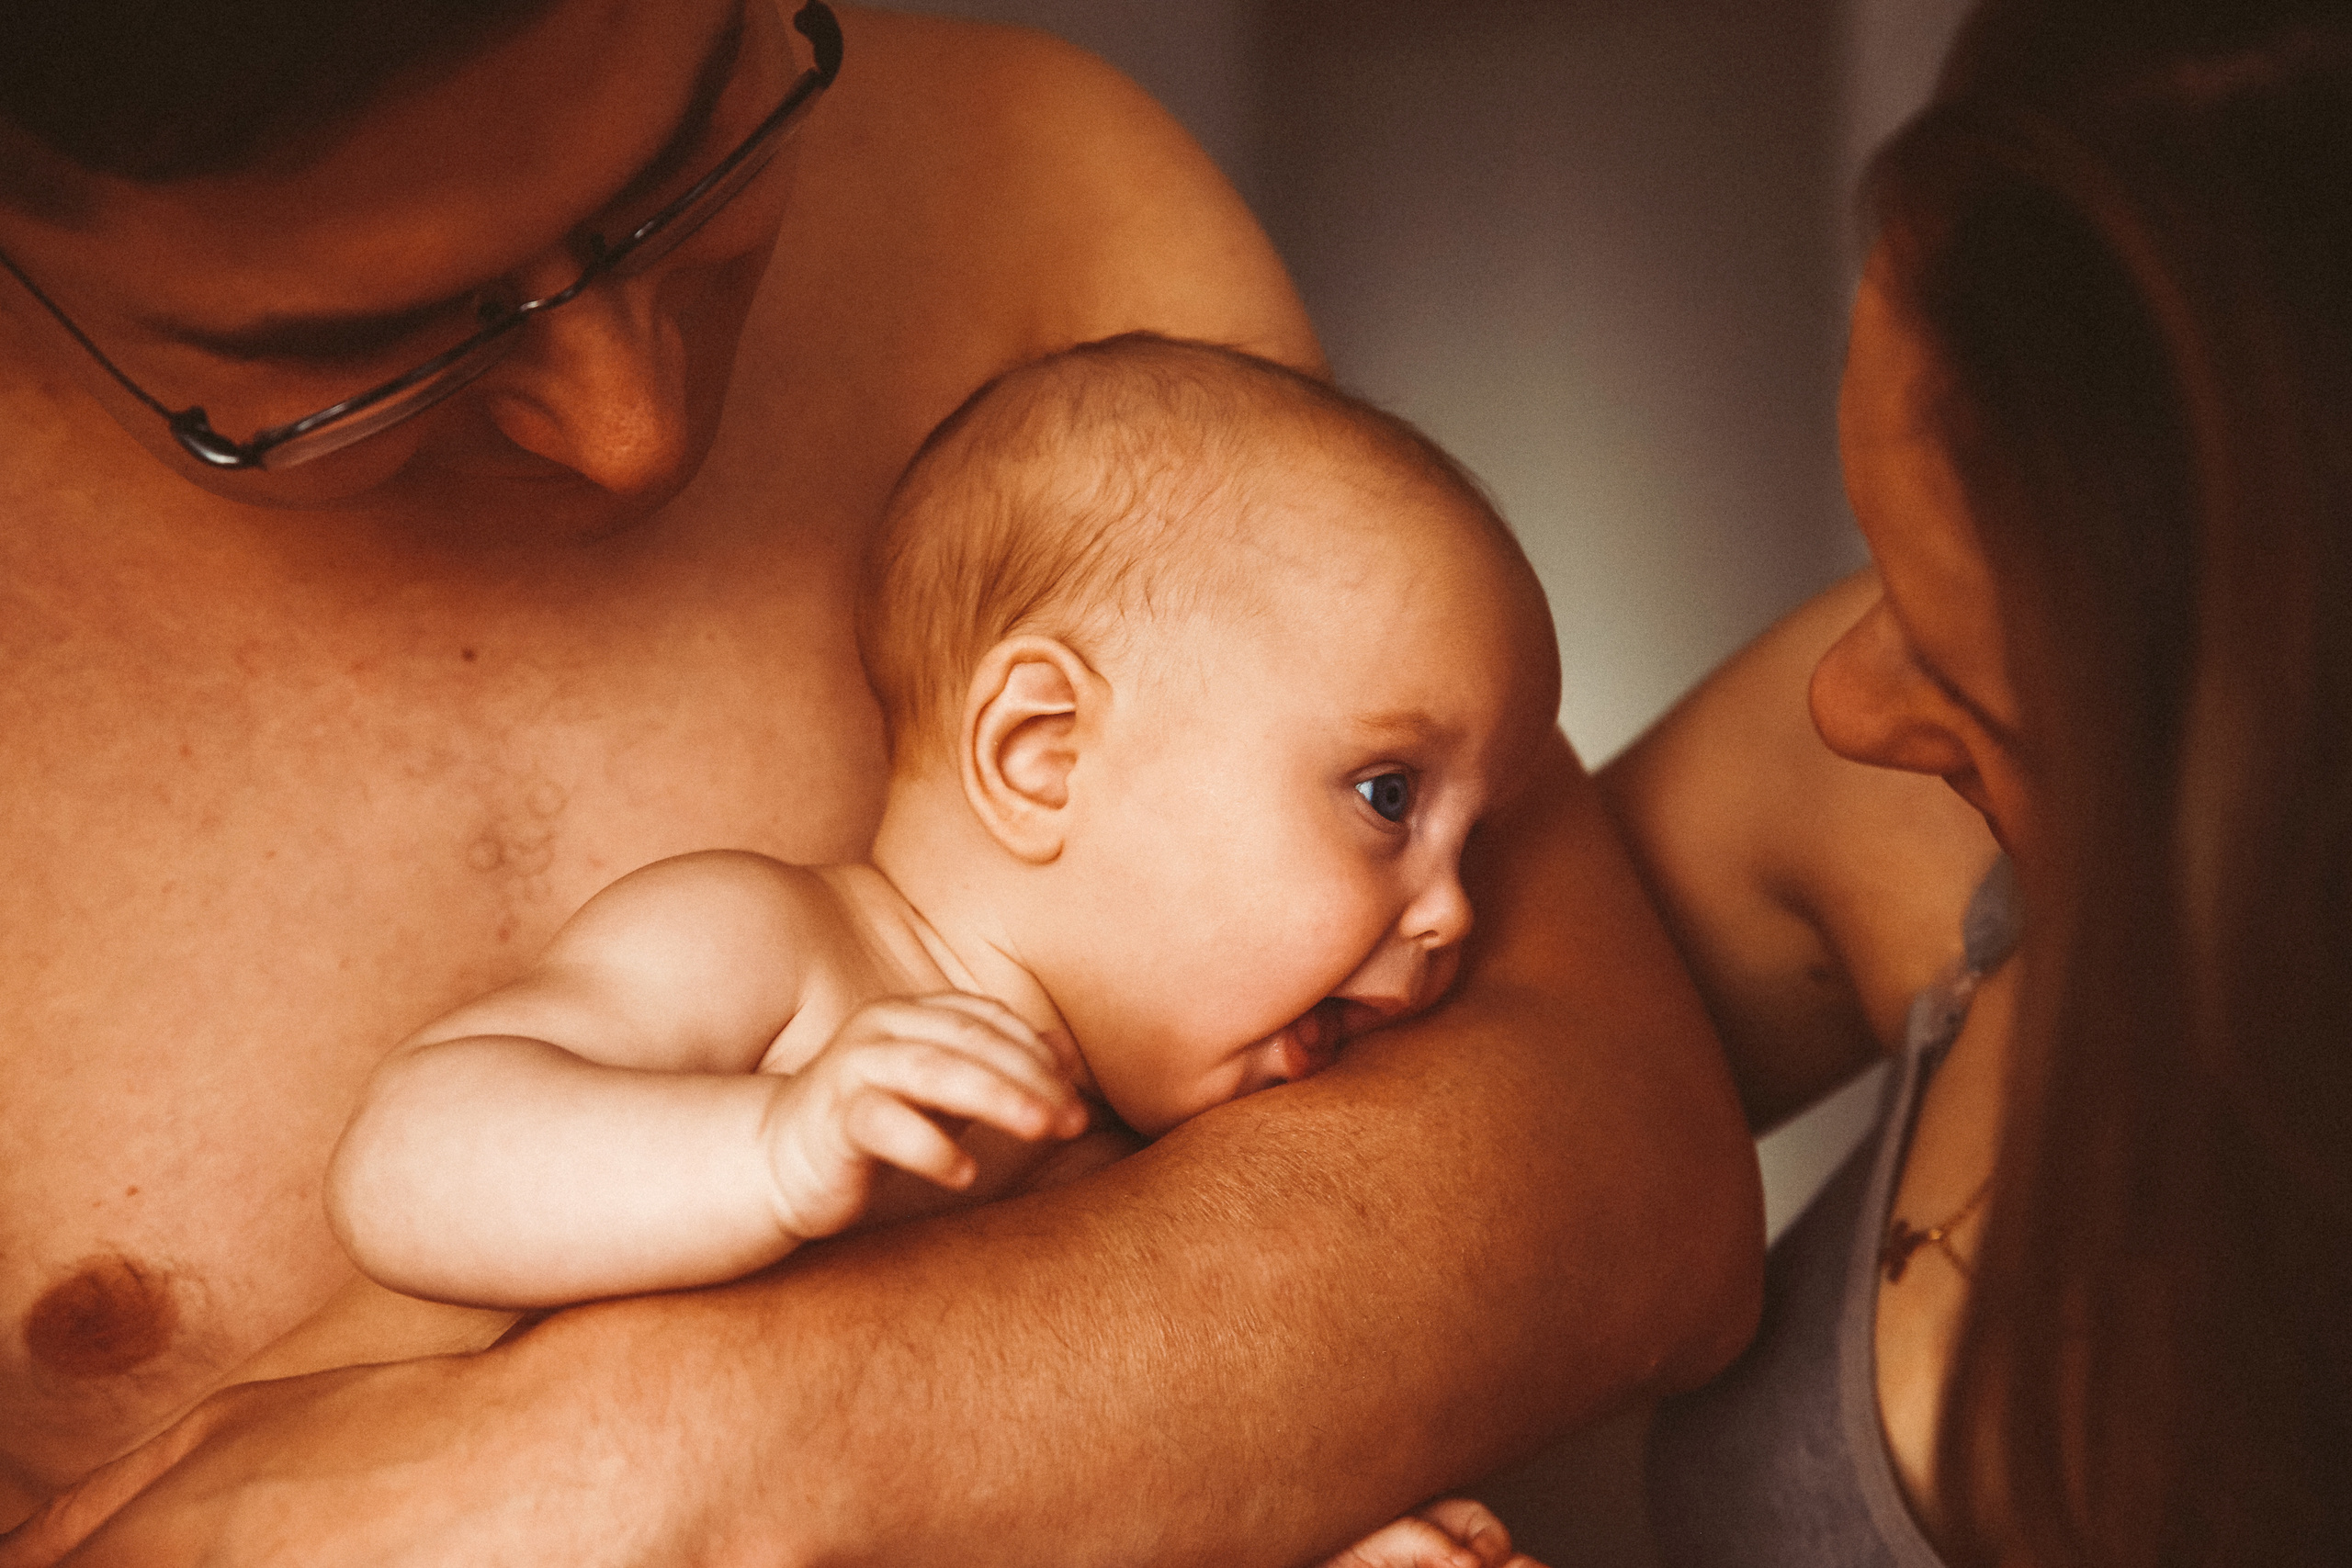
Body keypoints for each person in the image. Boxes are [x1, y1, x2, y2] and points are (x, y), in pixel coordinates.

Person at [0, 3, 1761, 1563]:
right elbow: (426, 1159)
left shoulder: (1040, 190)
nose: (637, 431)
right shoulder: (781, 959)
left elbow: (1627, 1174)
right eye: (349, 356)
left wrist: (672, 1454)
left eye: (690, 161)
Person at [259, 335, 1555, 1362]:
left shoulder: (1126, 1164)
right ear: (1039, 752)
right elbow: (405, 1164)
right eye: (1389, 796)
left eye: (1472, 838)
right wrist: (765, 1149)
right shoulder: (783, 957)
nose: (1451, 915)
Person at [1607, 0, 2352, 1562]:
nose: (1843, 699)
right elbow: (1407, 1117)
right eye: (1873, 566)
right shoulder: (1925, 809)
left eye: (1970, 685)